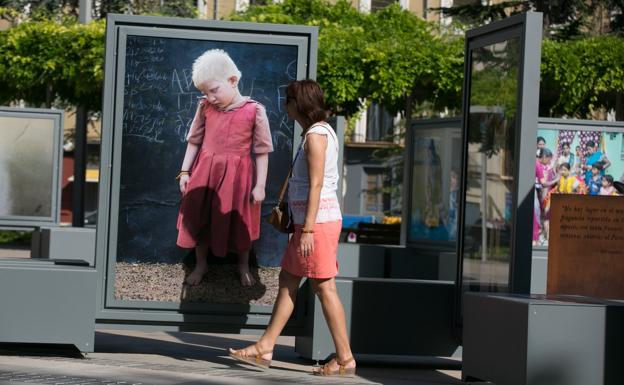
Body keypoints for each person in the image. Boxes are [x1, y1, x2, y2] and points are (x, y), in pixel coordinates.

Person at [228, 80, 356, 377]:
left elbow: (317, 184)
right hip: (309, 223)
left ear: (300, 103)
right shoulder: (313, 133)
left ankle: (346, 358)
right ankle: (265, 347)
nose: (285, 105)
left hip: (317, 224)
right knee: (288, 281)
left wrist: (308, 230)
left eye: (289, 99)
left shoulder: (316, 136)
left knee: (324, 287)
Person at [176, 49, 274, 287]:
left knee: (240, 223)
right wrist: (185, 171)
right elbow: (194, 140)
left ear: (232, 81)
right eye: (204, 92)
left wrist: (260, 185)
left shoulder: (254, 111)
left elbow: (262, 151)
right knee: (201, 217)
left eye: (214, 90)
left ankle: (243, 266)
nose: (209, 97)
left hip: (237, 177)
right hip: (205, 172)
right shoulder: (205, 108)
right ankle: (201, 264)